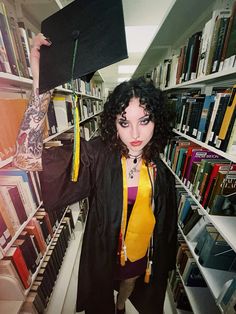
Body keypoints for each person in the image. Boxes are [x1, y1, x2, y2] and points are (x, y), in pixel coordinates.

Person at [13, 33, 177, 314]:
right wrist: (42, 84)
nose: (135, 134)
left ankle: (122, 305)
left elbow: (165, 225)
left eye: (144, 121)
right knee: (102, 301)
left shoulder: (160, 169)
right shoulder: (99, 155)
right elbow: (26, 158)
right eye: (124, 122)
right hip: (104, 256)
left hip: (142, 256)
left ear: (157, 121)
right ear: (113, 123)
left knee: (127, 292)